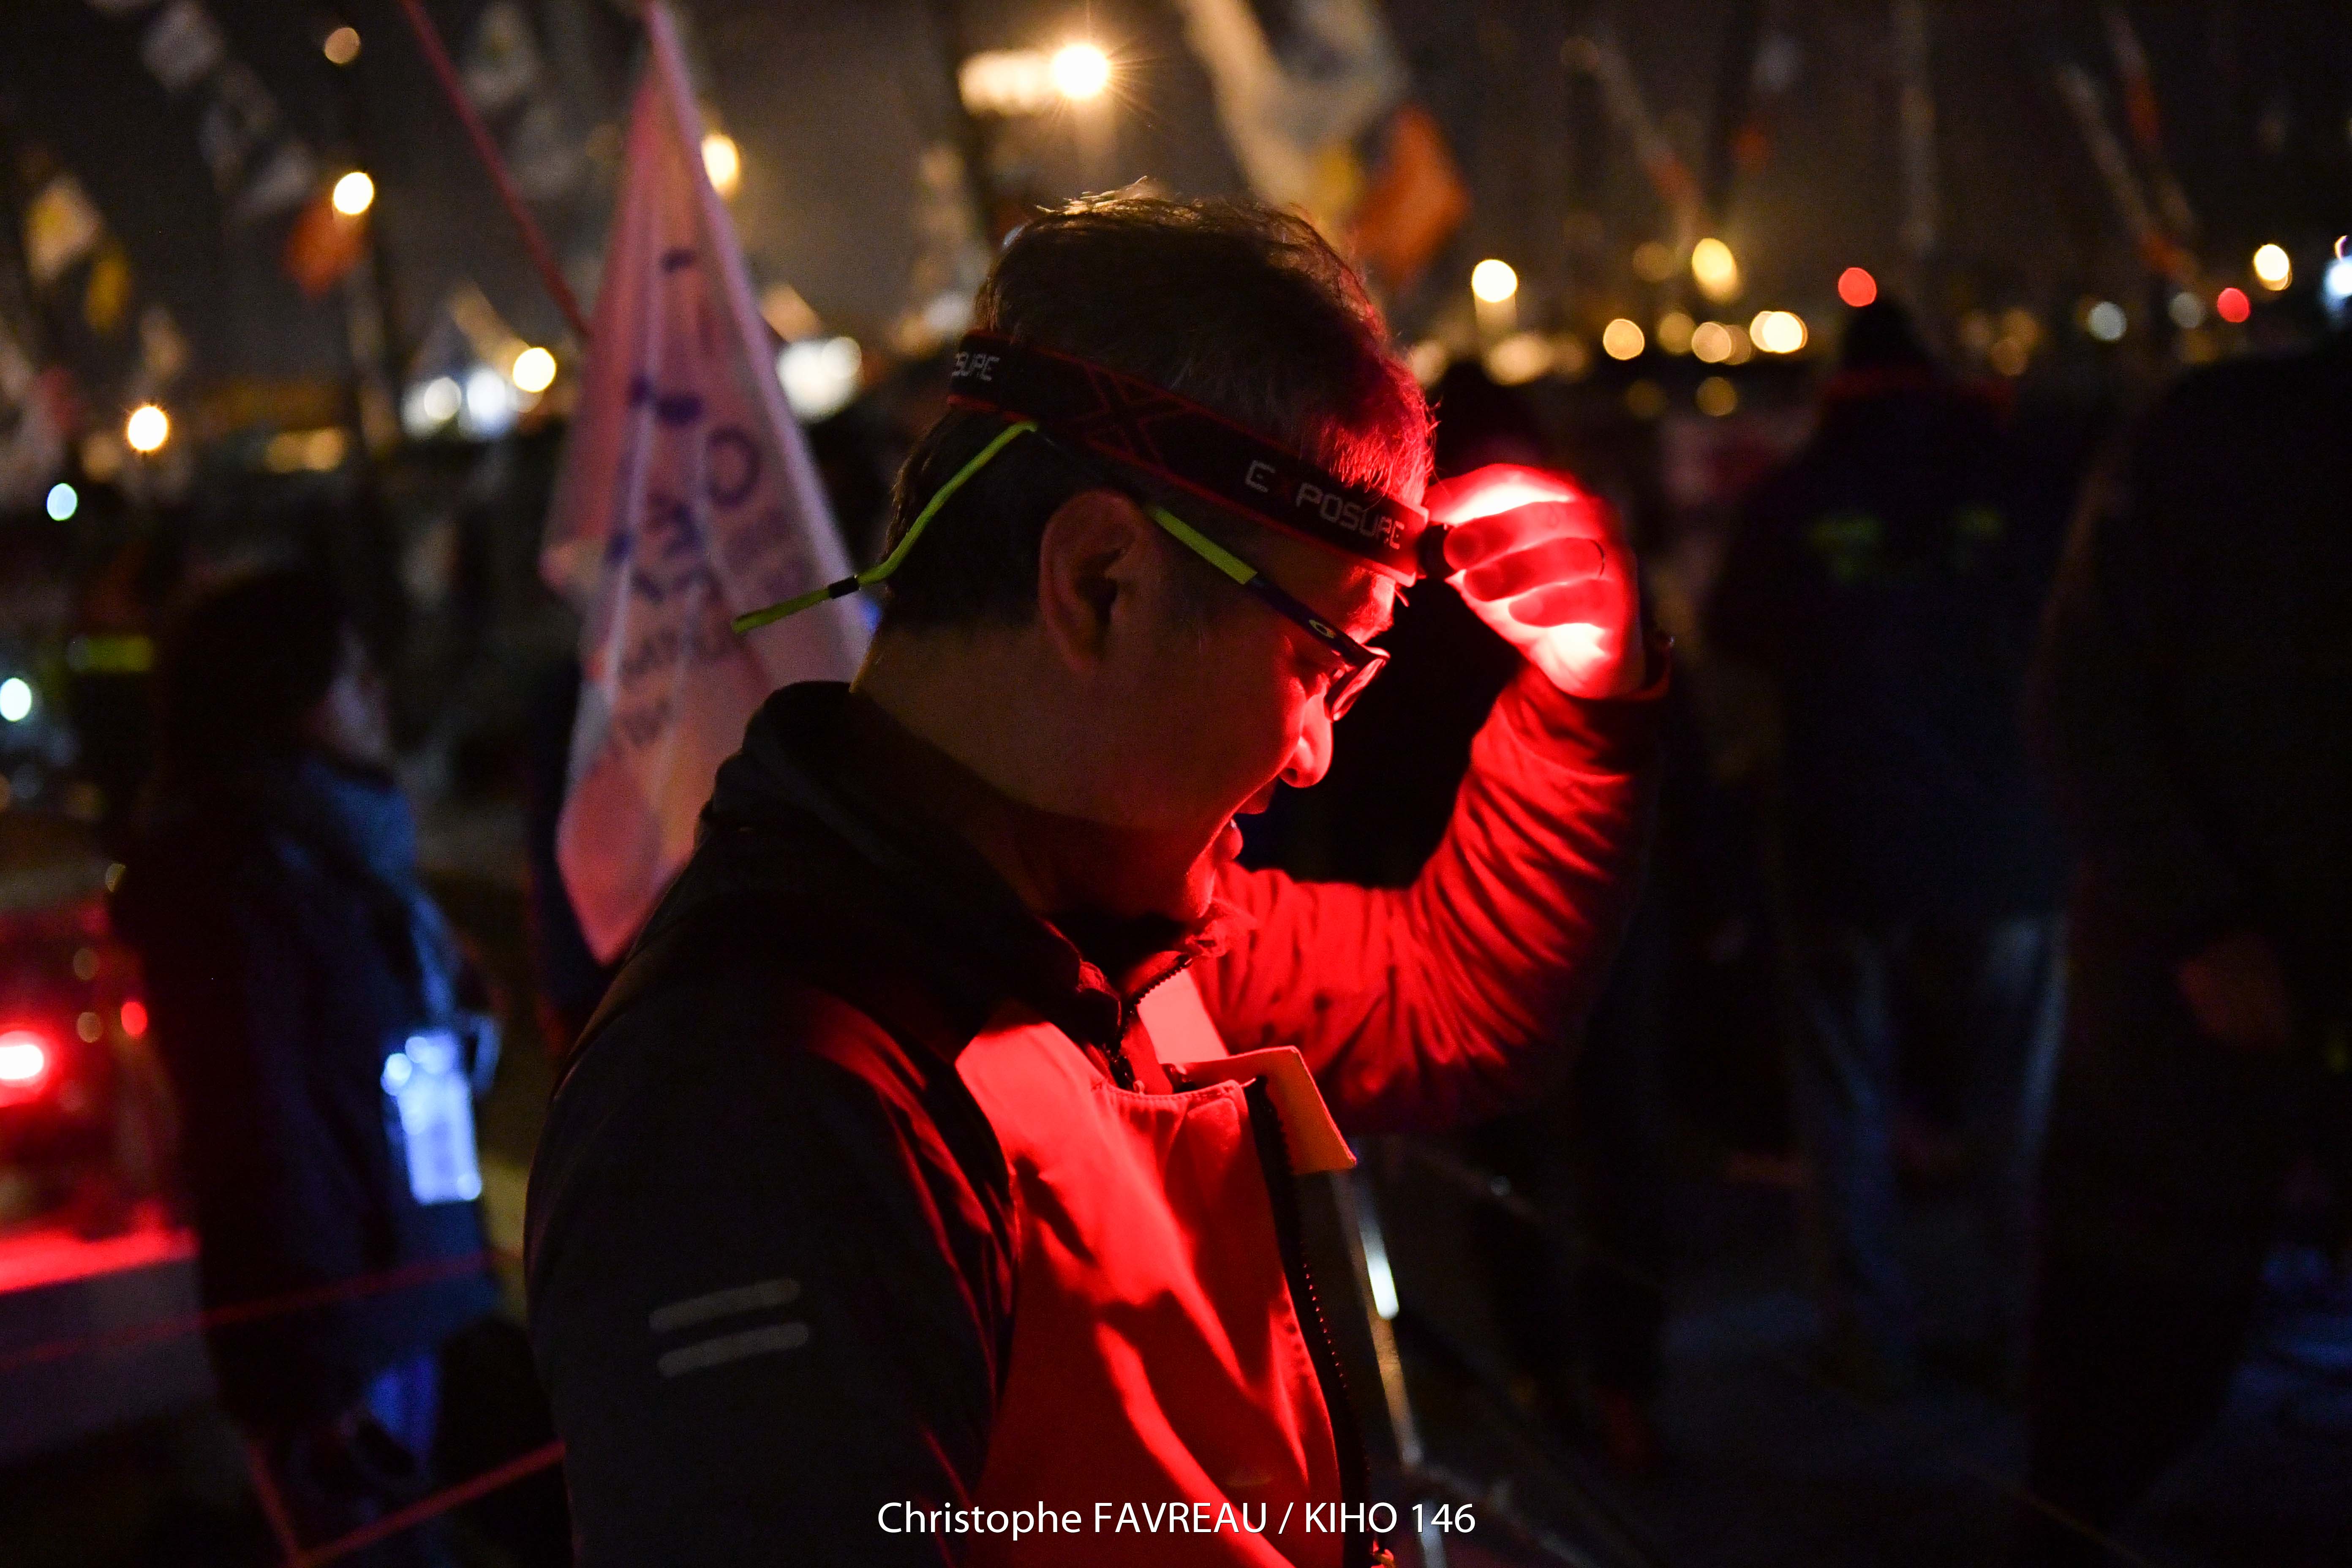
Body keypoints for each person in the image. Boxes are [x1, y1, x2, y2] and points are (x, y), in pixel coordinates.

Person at [525, 194, 1666, 1566]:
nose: (1313, 753)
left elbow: (1450, 1000)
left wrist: (1581, 702)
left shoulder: (1117, 934)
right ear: (1101, 583)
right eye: (1318, 662)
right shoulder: (753, 1103)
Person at [2016, 299, 2352, 1563]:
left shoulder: (2207, 433)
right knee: (2127, 1378)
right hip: (2189, 1021)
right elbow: (2080, 700)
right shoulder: (2218, 440)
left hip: (2191, 997)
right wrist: (2202, 924)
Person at [1707, 299, 2069, 1397]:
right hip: (2006, 836)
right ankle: (2035, 1329)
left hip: (1845, 835)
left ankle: (1868, 1336)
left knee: (1845, 1095)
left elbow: (1727, 631)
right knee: (2017, 1101)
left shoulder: (1796, 493)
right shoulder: (2018, 481)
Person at [114, 567, 502, 1567]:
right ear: (276, 694)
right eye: (348, 673)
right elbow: (260, 1134)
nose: (376, 693)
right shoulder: (235, 880)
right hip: (338, 1333)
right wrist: (316, 1366)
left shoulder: (340, 850)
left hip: (403, 1295)